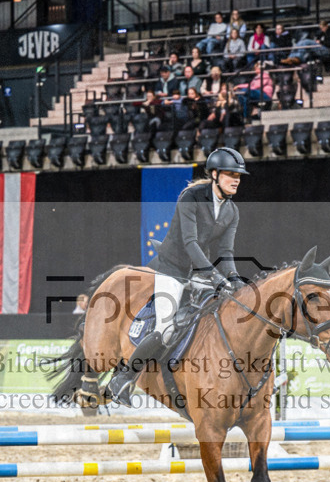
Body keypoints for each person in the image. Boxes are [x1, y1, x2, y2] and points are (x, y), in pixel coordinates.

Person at [106, 148, 248, 405]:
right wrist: (217, 279)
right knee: (167, 328)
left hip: (197, 271)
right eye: (230, 174)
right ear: (214, 174)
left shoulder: (231, 211)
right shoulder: (191, 197)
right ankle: (123, 378)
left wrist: (234, 279)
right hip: (172, 268)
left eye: (239, 175)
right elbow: (191, 243)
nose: (236, 179)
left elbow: (226, 252)